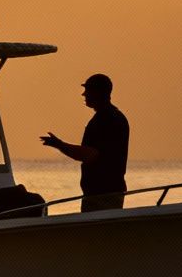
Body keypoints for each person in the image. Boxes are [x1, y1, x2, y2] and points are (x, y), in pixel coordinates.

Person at [40, 73, 130, 212]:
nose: (84, 94)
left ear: (98, 93)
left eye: (87, 90)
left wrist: (59, 144)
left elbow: (90, 154)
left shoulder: (105, 120)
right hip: (105, 193)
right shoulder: (112, 117)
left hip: (102, 196)